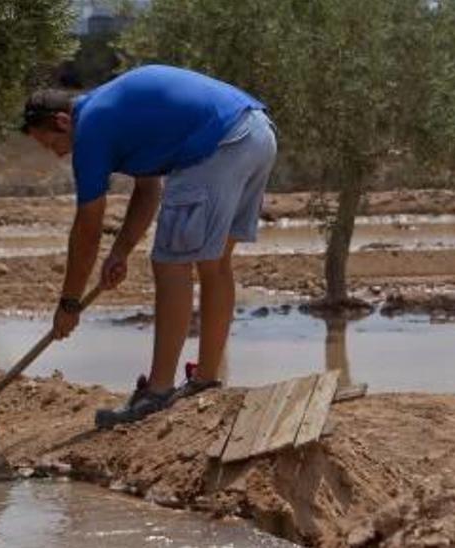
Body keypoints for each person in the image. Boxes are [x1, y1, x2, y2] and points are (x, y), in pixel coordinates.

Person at [20, 65, 277, 428]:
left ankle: (157, 392)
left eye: (52, 144)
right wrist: (121, 251)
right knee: (214, 263)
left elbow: (87, 229)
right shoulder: (116, 112)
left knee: (170, 265)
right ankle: (205, 380)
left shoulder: (90, 128)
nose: (58, 155)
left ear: (62, 122)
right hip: (257, 133)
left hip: (219, 145)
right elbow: (148, 190)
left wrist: (69, 303)